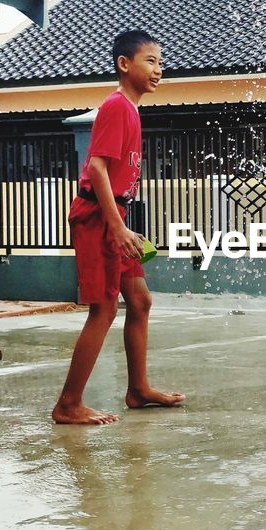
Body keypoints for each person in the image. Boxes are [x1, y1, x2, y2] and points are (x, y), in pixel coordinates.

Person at [53, 29, 186, 425]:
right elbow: (96, 168)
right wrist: (115, 228)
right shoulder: (116, 107)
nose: (158, 69)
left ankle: (138, 389)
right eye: (151, 61)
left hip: (115, 217)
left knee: (140, 301)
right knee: (105, 308)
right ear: (124, 64)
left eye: (161, 62)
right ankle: (68, 404)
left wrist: (124, 225)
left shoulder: (131, 108)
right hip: (97, 218)